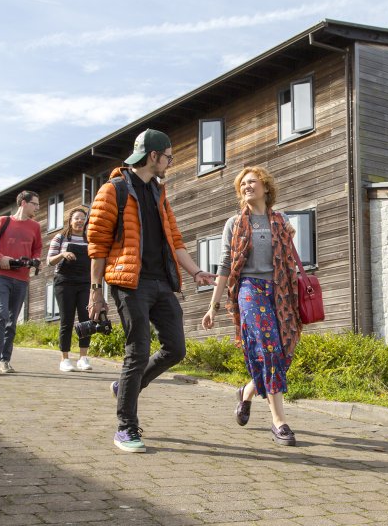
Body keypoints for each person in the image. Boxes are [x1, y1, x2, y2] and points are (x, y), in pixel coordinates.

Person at [87, 128, 215, 453]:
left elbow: (176, 240)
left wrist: (196, 271)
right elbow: (98, 245)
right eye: (169, 157)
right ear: (153, 156)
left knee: (176, 348)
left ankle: (126, 386)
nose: (170, 163)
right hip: (129, 282)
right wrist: (95, 292)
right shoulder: (112, 190)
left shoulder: (160, 194)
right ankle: (126, 428)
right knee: (138, 350)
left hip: (161, 283)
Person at [202, 166, 302, 447]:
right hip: (249, 290)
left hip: (280, 292)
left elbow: (290, 262)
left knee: (282, 353)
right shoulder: (234, 224)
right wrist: (213, 305)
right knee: (269, 348)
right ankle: (279, 422)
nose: (247, 187)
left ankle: (246, 393)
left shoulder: (281, 221)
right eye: (242, 184)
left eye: (252, 182)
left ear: (266, 188)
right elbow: (224, 265)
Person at [0, 190, 42, 375]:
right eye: (35, 204)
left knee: (12, 322)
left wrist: (36, 260)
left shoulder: (35, 227)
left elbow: (37, 249)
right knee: (1, 315)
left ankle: (5, 361)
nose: (37, 208)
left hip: (22, 278)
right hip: (2, 275)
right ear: (23, 203)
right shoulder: (3, 221)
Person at [47, 207, 93, 372]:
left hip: (84, 282)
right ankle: (64, 359)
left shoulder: (90, 239)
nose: (80, 221)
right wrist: (63, 254)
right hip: (64, 282)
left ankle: (83, 358)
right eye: (77, 218)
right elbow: (50, 261)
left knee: (86, 320)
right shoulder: (60, 238)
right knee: (66, 321)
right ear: (70, 221)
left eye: (82, 218)